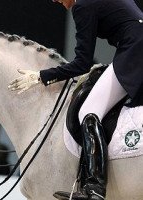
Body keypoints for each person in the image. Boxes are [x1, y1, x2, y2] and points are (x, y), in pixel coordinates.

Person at [8, 0, 143, 199]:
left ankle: (94, 187)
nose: (56, 1)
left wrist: (40, 76)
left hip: (134, 52)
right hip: (133, 48)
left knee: (88, 112)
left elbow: (82, 63)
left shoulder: (83, 5)